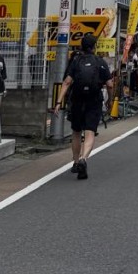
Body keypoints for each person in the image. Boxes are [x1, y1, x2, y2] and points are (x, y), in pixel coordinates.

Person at [54, 33, 113, 179]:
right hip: (94, 100)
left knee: (76, 131)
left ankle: (75, 162)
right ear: (94, 47)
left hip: (77, 100)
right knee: (90, 132)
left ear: (82, 46)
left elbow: (67, 82)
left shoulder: (76, 61)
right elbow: (110, 84)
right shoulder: (100, 62)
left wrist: (58, 102)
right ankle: (83, 159)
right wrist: (110, 100)